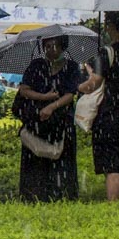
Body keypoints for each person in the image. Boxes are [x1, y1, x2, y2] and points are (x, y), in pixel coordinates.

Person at [78, 11, 119, 202]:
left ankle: (113, 208)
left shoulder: (106, 52)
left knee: (112, 168)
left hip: (109, 116)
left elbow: (95, 83)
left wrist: (80, 84)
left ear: (111, 27)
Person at [16, 35, 84, 202]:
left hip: (61, 121)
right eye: (47, 46)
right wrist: (44, 97)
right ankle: (35, 195)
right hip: (36, 121)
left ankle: (62, 194)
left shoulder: (72, 67)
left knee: (63, 159)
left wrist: (52, 106)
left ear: (62, 47)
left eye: (54, 46)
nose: (50, 49)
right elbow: (24, 90)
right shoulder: (36, 65)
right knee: (35, 159)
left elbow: (70, 95)